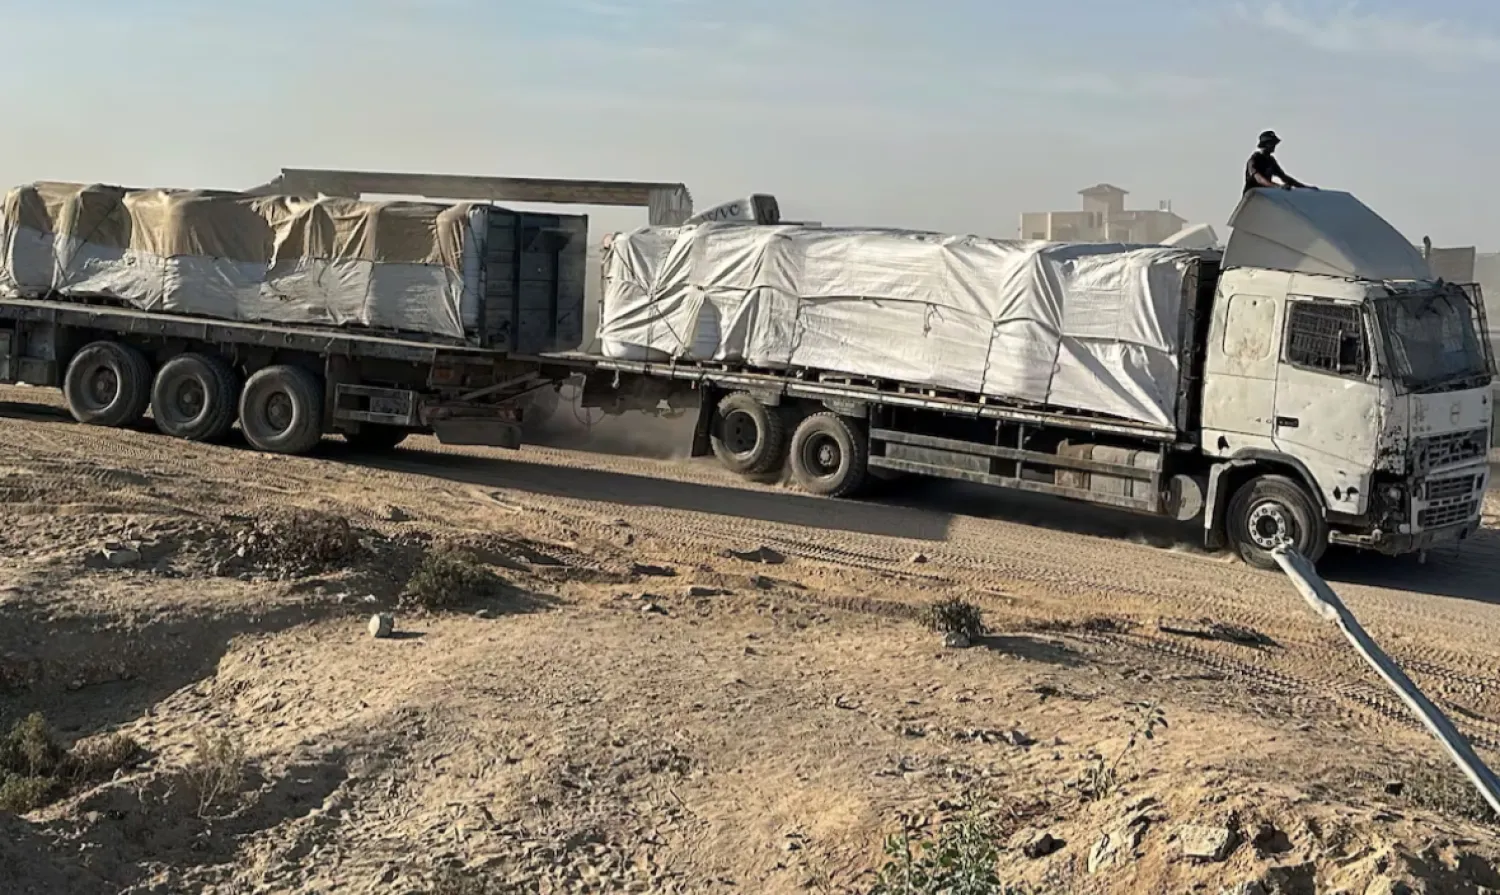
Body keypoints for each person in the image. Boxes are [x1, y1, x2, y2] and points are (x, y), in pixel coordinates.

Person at [1243, 130, 1317, 193]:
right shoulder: (1254, 160)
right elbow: (1259, 179)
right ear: (1265, 144)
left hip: (1264, 196)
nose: (1274, 145)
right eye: (1272, 143)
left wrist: (1305, 188)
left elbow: (1284, 177)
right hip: (1252, 198)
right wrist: (1278, 186)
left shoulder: (1271, 160)